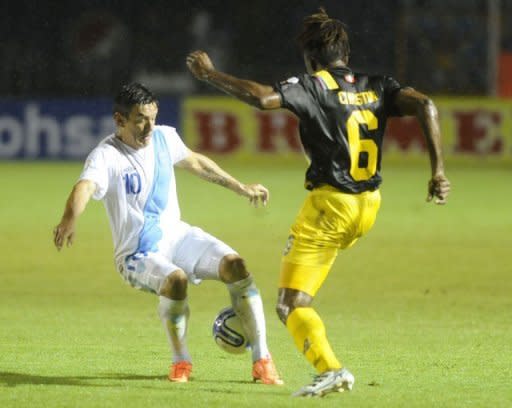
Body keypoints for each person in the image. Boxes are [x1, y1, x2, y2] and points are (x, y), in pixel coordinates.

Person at [186, 8, 451, 397]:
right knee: (301, 298)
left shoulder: (312, 85)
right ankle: (328, 364)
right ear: (345, 50)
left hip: (329, 208)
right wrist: (438, 172)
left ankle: (331, 370)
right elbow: (427, 104)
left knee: (289, 305)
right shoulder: (377, 84)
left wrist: (211, 74)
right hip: (368, 207)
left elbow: (261, 99)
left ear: (310, 57)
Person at [53, 82, 283, 386]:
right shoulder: (106, 155)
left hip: (177, 236)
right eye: (140, 119)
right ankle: (180, 361)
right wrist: (70, 218)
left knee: (235, 265)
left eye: (152, 117)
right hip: (137, 254)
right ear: (120, 120)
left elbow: (198, 162)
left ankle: (262, 360)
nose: (149, 126)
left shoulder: (165, 137)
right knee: (176, 281)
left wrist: (241, 187)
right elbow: (85, 186)